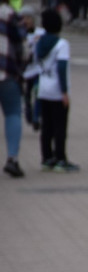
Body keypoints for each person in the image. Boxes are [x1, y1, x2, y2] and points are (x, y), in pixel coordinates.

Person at [36, 9, 77, 172]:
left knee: (47, 126)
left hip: (43, 88)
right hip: (57, 90)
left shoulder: (40, 42)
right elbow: (61, 67)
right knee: (60, 126)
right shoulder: (62, 44)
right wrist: (64, 91)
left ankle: (47, 158)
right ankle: (61, 158)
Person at [1, 0, 24, 178]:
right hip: (6, 71)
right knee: (13, 113)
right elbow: (20, 41)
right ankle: (12, 159)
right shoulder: (9, 13)